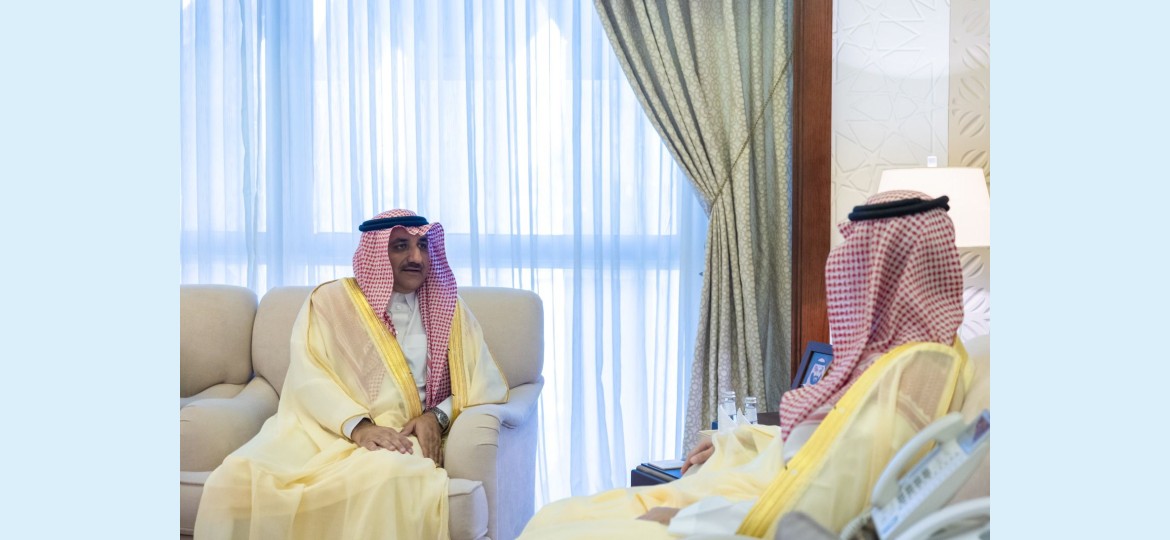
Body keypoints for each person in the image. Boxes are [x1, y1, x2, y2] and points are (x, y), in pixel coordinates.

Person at [518, 190, 973, 539]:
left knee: (558, 529)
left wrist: (683, 517)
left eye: (857, 261)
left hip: (745, 517)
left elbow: (811, 514)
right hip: (749, 490)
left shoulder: (904, 380)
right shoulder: (913, 358)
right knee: (557, 515)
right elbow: (821, 446)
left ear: (884, 270)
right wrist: (734, 438)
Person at [194, 209, 510, 539]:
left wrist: (436, 417)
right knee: (239, 476)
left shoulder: (451, 307)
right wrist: (359, 427)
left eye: (423, 246)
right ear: (376, 253)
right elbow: (310, 376)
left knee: (387, 473)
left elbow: (480, 380)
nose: (416, 257)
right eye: (400, 246)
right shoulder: (330, 302)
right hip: (328, 430)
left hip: (402, 435)